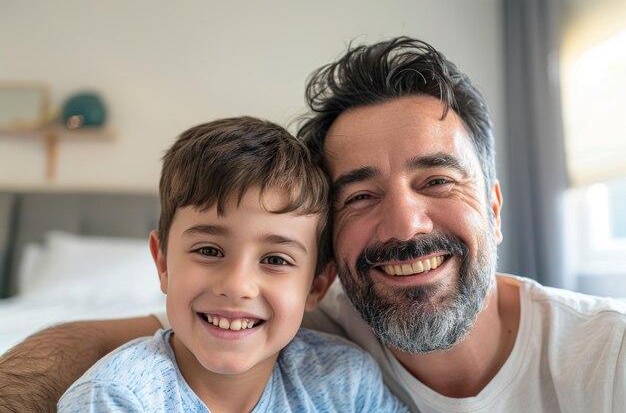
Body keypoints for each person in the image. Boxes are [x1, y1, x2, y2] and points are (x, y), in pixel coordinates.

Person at [1, 37, 624, 413]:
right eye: (359, 195)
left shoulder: (608, 356)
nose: (405, 223)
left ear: (494, 204)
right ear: (162, 260)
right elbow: (97, 349)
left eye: (436, 180)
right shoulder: (292, 321)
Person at [55, 117, 408, 412]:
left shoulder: (347, 383)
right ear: (163, 263)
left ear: (316, 285)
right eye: (209, 251)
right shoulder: (114, 398)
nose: (237, 285)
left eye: (274, 259)